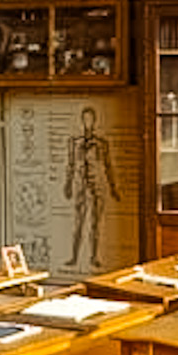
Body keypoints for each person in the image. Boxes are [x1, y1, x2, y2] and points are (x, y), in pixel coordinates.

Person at [63, 105, 119, 269]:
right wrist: (68, 184)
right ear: (82, 120)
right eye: (85, 118)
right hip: (81, 186)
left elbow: (108, 166)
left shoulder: (102, 143)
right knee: (78, 223)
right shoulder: (74, 142)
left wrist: (113, 188)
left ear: (94, 121)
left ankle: (94, 257)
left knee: (95, 224)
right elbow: (71, 165)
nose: (88, 122)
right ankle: (74, 257)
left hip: (97, 186)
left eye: (90, 119)